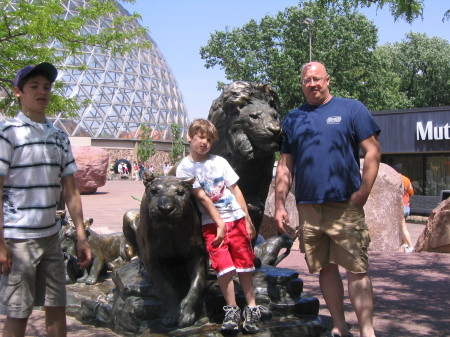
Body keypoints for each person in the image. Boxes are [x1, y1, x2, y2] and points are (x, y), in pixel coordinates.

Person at [274, 62, 380, 337]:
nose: (313, 84)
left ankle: (367, 331)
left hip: (345, 205)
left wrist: (363, 192)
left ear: (327, 80)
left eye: (317, 79)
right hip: (308, 207)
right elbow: (285, 166)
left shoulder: (351, 109)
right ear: (302, 84)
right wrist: (279, 204)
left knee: (357, 269)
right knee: (325, 268)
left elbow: (372, 151)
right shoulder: (292, 119)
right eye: (307, 80)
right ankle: (339, 326)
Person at [0, 62, 92, 337]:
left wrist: (81, 235)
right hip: (18, 238)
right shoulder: (8, 133)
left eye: (47, 87)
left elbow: (70, 189)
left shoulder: (60, 136)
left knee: (57, 306)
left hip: (51, 236)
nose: (43, 92)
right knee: (18, 311)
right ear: (18, 92)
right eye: (35, 87)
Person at [176, 119, 261, 334]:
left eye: (209, 139)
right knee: (223, 267)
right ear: (190, 137)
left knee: (244, 266)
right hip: (211, 224)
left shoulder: (220, 162)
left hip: (236, 219)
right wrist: (219, 224)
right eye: (200, 137)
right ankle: (231, 309)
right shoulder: (185, 167)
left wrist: (247, 219)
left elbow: (236, 190)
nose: (204, 142)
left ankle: (252, 308)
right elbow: (202, 197)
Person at [400, 174, 414, 252]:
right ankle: (404, 243)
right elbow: (411, 192)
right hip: (407, 206)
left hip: (401, 207)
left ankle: (410, 245)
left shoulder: (395, 179)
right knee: (401, 226)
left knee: (403, 227)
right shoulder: (406, 179)